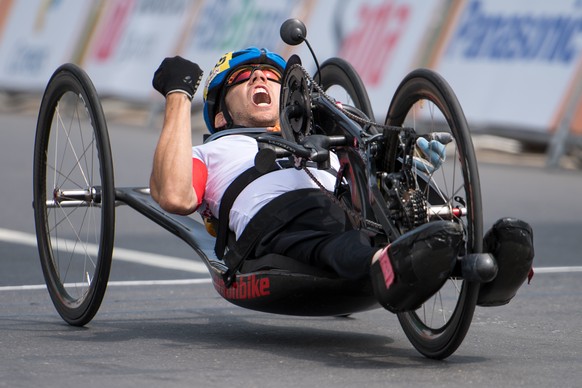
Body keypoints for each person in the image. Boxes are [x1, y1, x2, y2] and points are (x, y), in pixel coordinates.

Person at [149, 47, 534, 312]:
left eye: (270, 76)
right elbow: (175, 195)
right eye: (245, 78)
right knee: (324, 218)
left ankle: (483, 264)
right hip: (277, 218)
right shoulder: (210, 151)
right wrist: (178, 95)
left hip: (344, 201)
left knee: (374, 193)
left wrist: (405, 166)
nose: (260, 80)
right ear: (219, 115)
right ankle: (387, 260)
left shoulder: (316, 137)